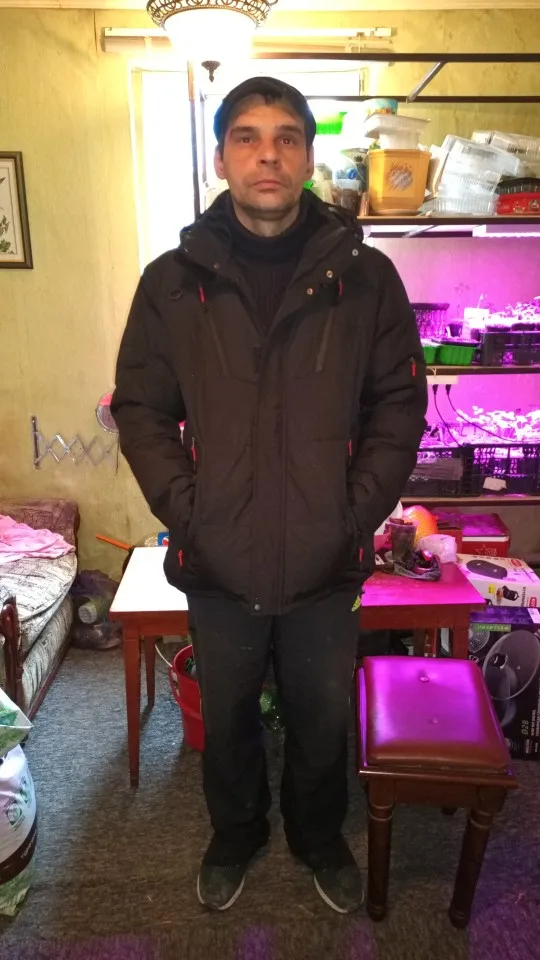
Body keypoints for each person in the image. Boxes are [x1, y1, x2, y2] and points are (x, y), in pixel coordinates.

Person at [111, 76, 427, 915]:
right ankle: (235, 834)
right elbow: (142, 409)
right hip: (218, 561)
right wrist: (192, 512)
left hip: (327, 560)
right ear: (220, 159)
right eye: (247, 137)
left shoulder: (366, 279)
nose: (268, 154)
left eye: (287, 137)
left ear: (307, 157)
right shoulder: (171, 283)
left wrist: (352, 514)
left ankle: (319, 837)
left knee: (323, 717)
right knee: (227, 719)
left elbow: (399, 406)